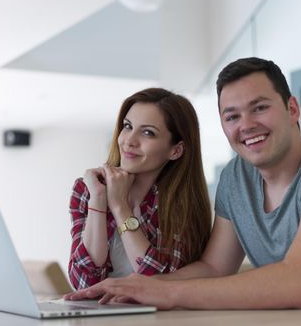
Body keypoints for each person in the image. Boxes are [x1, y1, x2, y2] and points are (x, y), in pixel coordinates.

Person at [65, 57, 301, 309]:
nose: (246, 125)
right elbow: (214, 268)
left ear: (292, 109)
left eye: (259, 108)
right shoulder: (235, 177)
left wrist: (168, 294)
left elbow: (298, 283)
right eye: (232, 116)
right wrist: (139, 286)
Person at [67, 87, 211, 290]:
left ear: (175, 150)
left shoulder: (179, 203)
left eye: (147, 132)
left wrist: (119, 206)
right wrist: (99, 199)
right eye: (127, 126)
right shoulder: (88, 189)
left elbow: (155, 280)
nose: (129, 141)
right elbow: (84, 282)